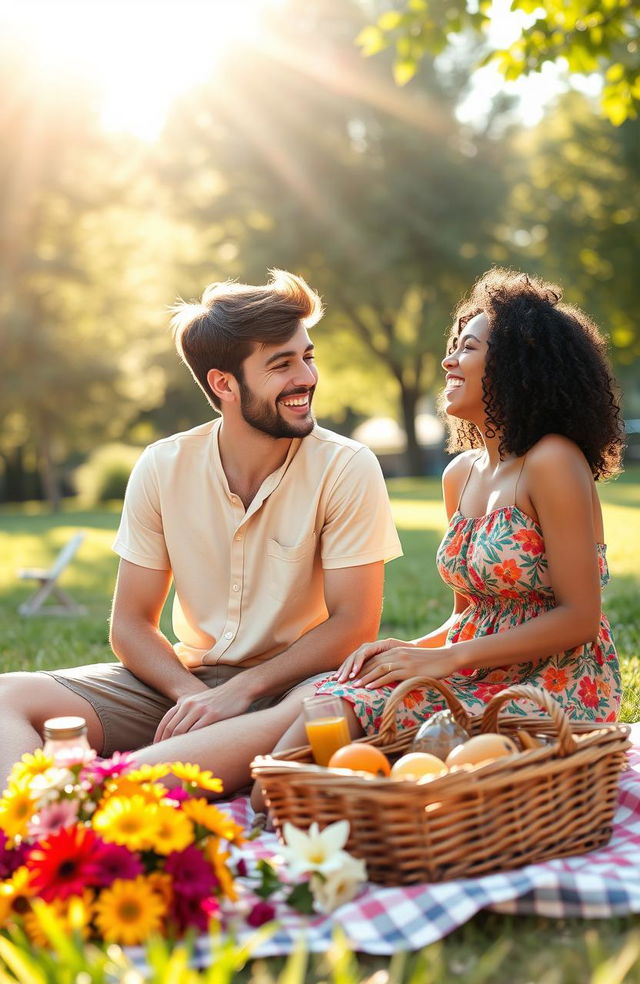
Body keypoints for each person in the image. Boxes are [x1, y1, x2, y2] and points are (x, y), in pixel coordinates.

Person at [0, 270, 402, 791]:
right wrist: (194, 696)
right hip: (185, 685)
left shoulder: (347, 467)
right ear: (224, 384)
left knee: (330, 705)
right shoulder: (163, 466)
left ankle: (93, 798)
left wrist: (242, 692)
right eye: (281, 364)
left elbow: (353, 624)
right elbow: (130, 625)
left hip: (299, 689)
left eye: (307, 356)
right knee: (8, 695)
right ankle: (29, 828)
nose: (306, 377)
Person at [256, 267, 624, 777]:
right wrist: (408, 650)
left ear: (519, 364)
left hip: (553, 686)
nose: (449, 359)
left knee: (399, 753)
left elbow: (579, 617)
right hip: (475, 670)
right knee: (326, 711)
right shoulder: (460, 474)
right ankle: (299, 824)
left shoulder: (553, 461)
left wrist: (446, 661)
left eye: (468, 348)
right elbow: (469, 616)